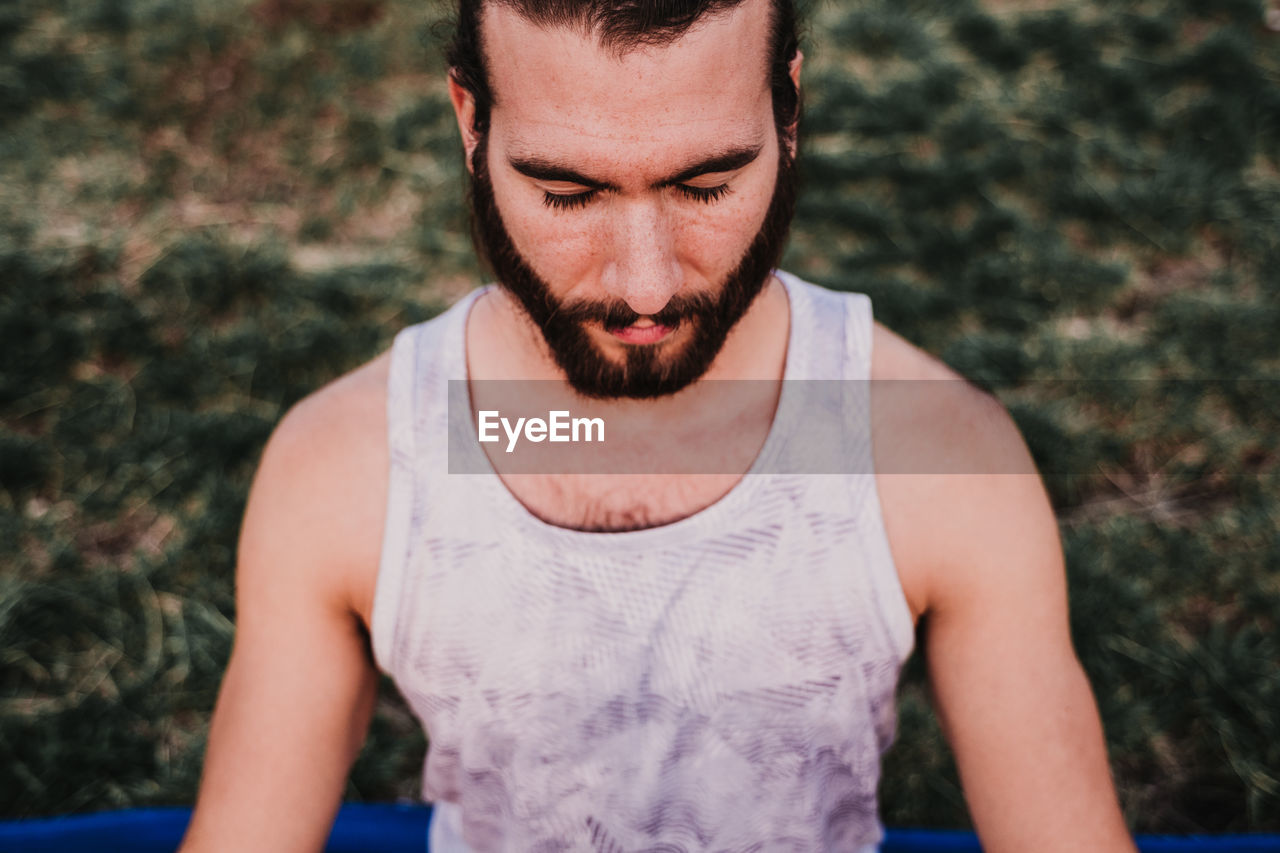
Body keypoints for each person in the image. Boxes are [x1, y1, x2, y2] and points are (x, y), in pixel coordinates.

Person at [179, 0, 1139, 850]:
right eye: (568, 192)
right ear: (471, 121)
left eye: (707, 183)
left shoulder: (933, 454)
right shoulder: (347, 471)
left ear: (788, 109)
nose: (646, 285)